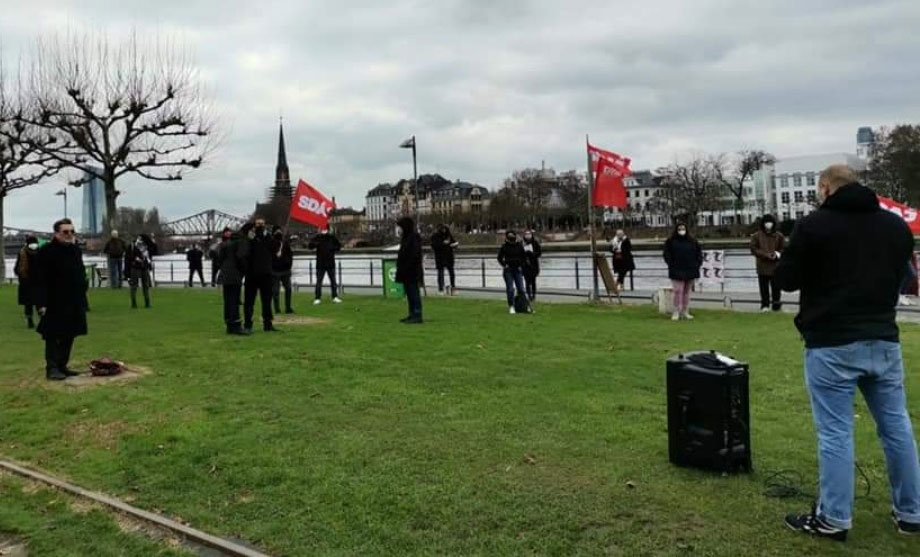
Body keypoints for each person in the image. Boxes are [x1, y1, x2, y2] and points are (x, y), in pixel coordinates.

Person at [776, 165, 920, 541]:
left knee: (836, 431)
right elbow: (906, 277)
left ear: (825, 188)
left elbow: (786, 279)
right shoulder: (895, 228)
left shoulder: (813, 226)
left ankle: (835, 517)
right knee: (896, 426)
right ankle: (912, 512)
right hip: (882, 337)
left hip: (832, 341)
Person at [33, 219, 87, 380]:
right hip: (53, 300)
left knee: (70, 333)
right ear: (57, 233)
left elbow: (80, 272)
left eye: (72, 231)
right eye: (65, 231)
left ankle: (63, 365)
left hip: (74, 299)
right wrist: (41, 303)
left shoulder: (75, 250)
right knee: (52, 335)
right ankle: (52, 368)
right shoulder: (46, 252)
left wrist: (83, 291)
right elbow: (38, 279)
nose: (69, 234)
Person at [662, 222, 702, 321]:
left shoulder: (693, 241)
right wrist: (671, 264)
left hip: (691, 269)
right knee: (678, 290)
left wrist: (697, 264)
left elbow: (699, 253)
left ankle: (685, 311)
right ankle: (676, 311)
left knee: (687, 292)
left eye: (683, 228)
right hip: (676, 269)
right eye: (679, 229)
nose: (681, 230)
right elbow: (666, 254)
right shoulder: (670, 241)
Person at [243, 217, 277, 332]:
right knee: (249, 301)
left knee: (267, 300)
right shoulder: (249, 238)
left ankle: (268, 324)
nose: (260, 226)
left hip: (266, 273)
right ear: (254, 225)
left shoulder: (268, 238)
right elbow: (245, 252)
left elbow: (274, 250)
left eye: (262, 224)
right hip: (251, 273)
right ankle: (248, 324)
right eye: (258, 224)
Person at [215, 227, 250, 335]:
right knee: (235, 300)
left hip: (225, 275)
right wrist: (244, 271)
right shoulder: (240, 243)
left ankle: (229, 324)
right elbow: (241, 258)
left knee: (228, 300)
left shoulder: (225, 244)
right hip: (235, 275)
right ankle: (236, 326)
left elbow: (219, 260)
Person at [750, 214, 786, 312]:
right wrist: (765, 255)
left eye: (770, 222)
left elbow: (783, 248)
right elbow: (753, 249)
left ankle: (776, 305)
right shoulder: (756, 236)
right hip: (762, 266)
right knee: (764, 288)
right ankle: (765, 305)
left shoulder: (779, 236)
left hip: (776, 266)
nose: (768, 224)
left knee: (776, 288)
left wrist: (777, 254)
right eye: (766, 222)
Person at [395, 216, 423, 324]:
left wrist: (406, 265)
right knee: (409, 293)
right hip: (406, 271)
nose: (399, 229)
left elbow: (414, 254)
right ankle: (412, 314)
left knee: (413, 293)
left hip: (412, 271)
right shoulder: (406, 237)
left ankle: (417, 314)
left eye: (400, 227)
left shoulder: (414, 237)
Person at [308, 227, 342, 305]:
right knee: (319, 282)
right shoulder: (317, 237)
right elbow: (310, 246)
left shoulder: (332, 237)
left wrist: (331, 249)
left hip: (330, 263)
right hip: (320, 263)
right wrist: (315, 243)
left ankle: (335, 297)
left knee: (333, 281)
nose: (323, 230)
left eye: (325, 229)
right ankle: (317, 298)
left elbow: (338, 247)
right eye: (322, 229)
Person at [13, 235, 41, 329]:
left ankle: (30, 321)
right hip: (38, 282)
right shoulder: (41, 252)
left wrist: (20, 276)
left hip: (26, 282)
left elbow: (17, 268)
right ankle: (42, 320)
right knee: (40, 302)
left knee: (28, 304)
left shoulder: (22, 252)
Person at [498, 230, 528, 314]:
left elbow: (524, 257)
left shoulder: (519, 246)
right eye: (509, 236)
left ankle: (524, 305)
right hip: (508, 270)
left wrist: (521, 265)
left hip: (517, 269)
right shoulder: (504, 247)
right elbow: (499, 258)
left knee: (521, 289)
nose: (511, 237)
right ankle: (511, 306)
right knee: (510, 289)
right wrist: (505, 265)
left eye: (512, 235)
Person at [124, 234, 157, 309]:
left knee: (135, 286)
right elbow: (155, 251)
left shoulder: (133, 246)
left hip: (137, 267)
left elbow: (127, 259)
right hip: (140, 267)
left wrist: (127, 273)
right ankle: (147, 303)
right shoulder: (144, 246)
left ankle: (134, 304)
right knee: (143, 286)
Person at [271, 226, 295, 314]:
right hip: (275, 271)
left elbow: (290, 255)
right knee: (275, 291)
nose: (278, 232)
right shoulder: (271, 243)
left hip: (285, 270)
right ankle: (277, 308)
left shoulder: (285, 243)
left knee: (288, 289)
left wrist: (289, 266)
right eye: (277, 231)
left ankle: (288, 307)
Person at [430, 224, 458, 295]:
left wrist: (455, 245)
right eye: (443, 229)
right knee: (440, 273)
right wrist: (443, 243)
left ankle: (453, 287)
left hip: (449, 256)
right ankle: (441, 289)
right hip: (440, 257)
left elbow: (453, 242)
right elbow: (434, 246)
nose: (444, 231)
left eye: (445, 229)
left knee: (451, 272)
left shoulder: (449, 235)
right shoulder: (435, 236)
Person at [522, 230, 542, 302]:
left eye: (529, 234)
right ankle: (529, 295)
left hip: (533, 265)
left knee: (533, 281)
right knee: (527, 281)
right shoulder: (522, 243)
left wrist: (532, 254)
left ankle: (533, 295)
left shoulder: (535, 243)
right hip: (525, 265)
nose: (527, 236)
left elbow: (539, 253)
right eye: (526, 234)